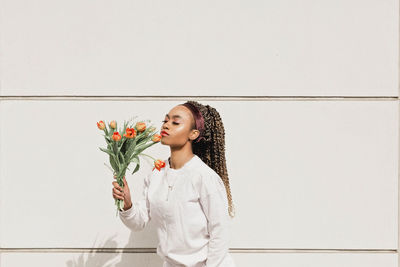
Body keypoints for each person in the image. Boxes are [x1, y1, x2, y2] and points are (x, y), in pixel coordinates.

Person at [112, 100, 236, 267]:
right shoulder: (157, 174)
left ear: (193, 134)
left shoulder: (204, 177)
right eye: (165, 121)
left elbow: (220, 233)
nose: (166, 125)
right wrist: (127, 204)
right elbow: (138, 222)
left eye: (175, 122)